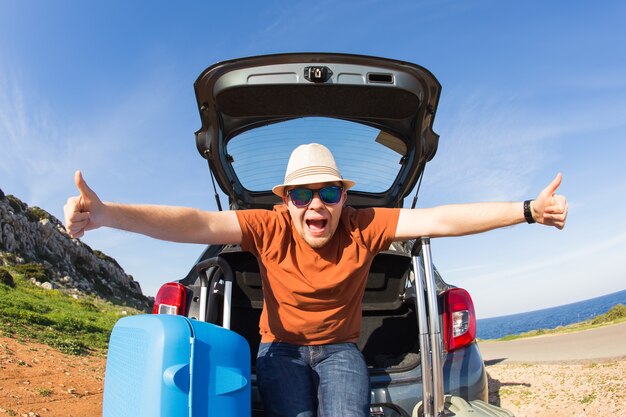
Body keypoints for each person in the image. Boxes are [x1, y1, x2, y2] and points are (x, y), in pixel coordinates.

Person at [64, 143, 568, 417]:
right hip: (278, 349)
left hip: (342, 350)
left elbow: (441, 219)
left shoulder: (366, 224)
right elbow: (195, 222)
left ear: (344, 198)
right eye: (302, 195)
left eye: (328, 191)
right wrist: (107, 214)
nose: (316, 205)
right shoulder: (265, 227)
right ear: (286, 202)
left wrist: (526, 210)